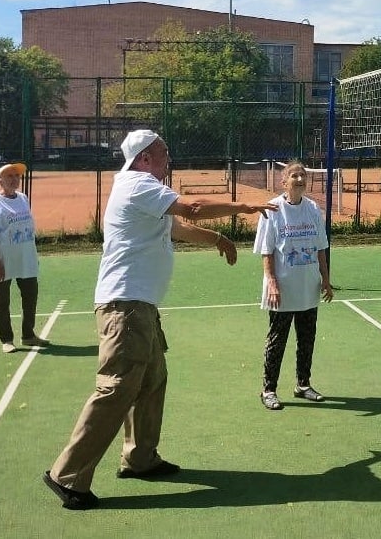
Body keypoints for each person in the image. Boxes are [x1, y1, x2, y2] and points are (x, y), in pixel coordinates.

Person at [43, 129, 277, 510]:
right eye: (164, 152)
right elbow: (193, 208)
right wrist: (242, 208)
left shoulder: (146, 193)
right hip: (125, 306)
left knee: (152, 381)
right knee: (116, 389)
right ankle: (66, 476)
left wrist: (217, 239)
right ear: (144, 158)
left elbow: (179, 226)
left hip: (141, 307)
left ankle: (140, 458)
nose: (169, 158)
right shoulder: (136, 183)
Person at [254, 161, 333, 411]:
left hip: (308, 287)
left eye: (302, 175)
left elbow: (321, 248)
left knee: (306, 338)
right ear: (284, 182)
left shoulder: (312, 208)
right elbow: (266, 252)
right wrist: (272, 283)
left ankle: (303, 384)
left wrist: (326, 280)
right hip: (282, 290)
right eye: (294, 176)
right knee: (277, 340)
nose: (299, 179)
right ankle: (268, 390)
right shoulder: (273, 209)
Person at [0, 162, 48, 354]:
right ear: (0, 181)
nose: (14, 179)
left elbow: (28, 230)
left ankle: (28, 335)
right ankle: (6, 339)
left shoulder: (23, 198)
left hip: (26, 260)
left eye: (17, 176)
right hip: (2, 262)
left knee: (30, 296)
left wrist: (32, 255)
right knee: (2, 302)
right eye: (10, 176)